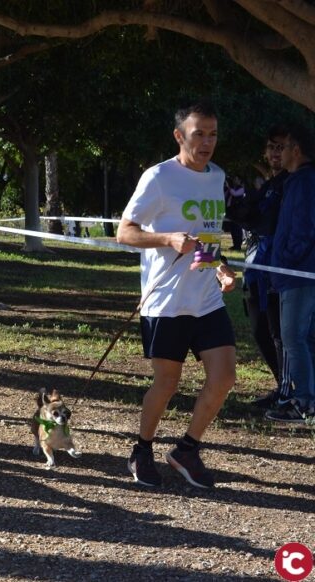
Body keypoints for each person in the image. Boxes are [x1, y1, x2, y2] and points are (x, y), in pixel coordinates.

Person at [116, 102, 238, 489]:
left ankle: (186, 450)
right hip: (166, 301)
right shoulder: (158, 178)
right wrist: (166, 238)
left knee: (225, 377)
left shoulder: (216, 176)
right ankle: (142, 448)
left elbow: (207, 236)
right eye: (199, 133)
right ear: (179, 136)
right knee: (167, 383)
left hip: (205, 298)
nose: (207, 142)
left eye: (213, 133)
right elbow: (125, 233)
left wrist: (219, 267)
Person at [227, 126, 294, 410]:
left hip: (281, 270)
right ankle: (282, 385)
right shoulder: (269, 184)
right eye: (271, 146)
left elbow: (269, 223)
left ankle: (291, 391)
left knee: (282, 333)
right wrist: (234, 206)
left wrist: (247, 215)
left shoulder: (293, 183)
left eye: (281, 146)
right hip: (256, 268)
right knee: (260, 330)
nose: (275, 152)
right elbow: (250, 215)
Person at [266, 123, 315, 423]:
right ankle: (308, 399)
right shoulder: (298, 181)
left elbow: (303, 229)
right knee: (305, 338)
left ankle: (304, 401)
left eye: (282, 147)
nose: (277, 153)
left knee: (293, 338)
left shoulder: (303, 182)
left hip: (297, 275)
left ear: (295, 151)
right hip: (298, 273)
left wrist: (284, 261)